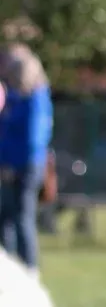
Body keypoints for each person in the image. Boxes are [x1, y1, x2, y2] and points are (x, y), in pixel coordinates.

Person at [0, 44, 54, 269]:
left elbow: (32, 139)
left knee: (22, 219)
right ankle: (9, 269)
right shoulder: (15, 97)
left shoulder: (35, 99)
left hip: (25, 167)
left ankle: (29, 271)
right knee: (6, 220)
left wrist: (12, 165)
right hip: (10, 166)